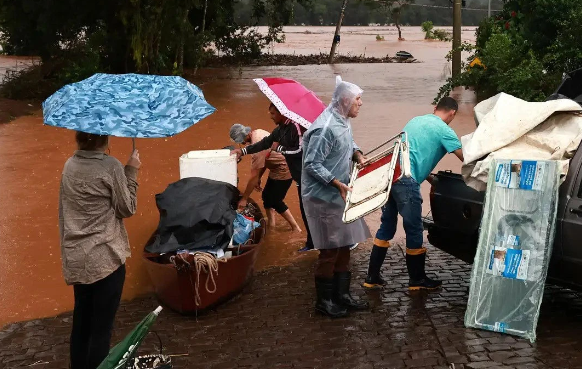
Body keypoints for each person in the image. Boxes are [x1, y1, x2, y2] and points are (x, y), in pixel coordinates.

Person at [364, 96, 464, 291]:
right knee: (414, 228)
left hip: (391, 176)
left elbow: (411, 154)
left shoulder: (415, 121)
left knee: (387, 226)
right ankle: (417, 280)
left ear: (435, 107)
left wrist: (429, 178)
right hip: (407, 182)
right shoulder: (445, 130)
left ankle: (372, 277)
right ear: (452, 113)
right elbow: (465, 159)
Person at [59, 132, 140, 369]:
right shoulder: (111, 166)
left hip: (78, 258)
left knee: (81, 324)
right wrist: (132, 170)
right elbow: (127, 208)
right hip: (105, 260)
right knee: (101, 330)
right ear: (105, 139)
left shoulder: (70, 165)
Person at [302, 76, 371, 318]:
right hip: (323, 196)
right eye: (358, 99)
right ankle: (324, 301)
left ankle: (342, 295)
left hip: (340, 192)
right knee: (329, 249)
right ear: (345, 100)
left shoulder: (342, 120)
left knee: (345, 245)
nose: (360, 103)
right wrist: (335, 183)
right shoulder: (325, 127)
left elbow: (348, 142)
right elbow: (311, 163)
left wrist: (358, 154)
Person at [231, 103, 315, 251]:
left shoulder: (294, 128)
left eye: (273, 113)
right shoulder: (277, 130)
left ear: (282, 113)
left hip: (292, 171)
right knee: (271, 198)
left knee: (277, 200)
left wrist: (244, 198)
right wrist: (243, 151)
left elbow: (298, 151)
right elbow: (265, 145)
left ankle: (302, 233)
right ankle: (276, 228)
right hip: (291, 172)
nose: (270, 116)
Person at [229, 123, 302, 232]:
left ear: (246, 136)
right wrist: (259, 177)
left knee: (276, 201)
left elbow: (253, 175)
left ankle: (296, 227)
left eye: (241, 141)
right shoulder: (258, 132)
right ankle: (272, 225)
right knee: (266, 197)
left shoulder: (256, 146)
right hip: (276, 167)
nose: (242, 143)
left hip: (284, 168)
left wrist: (244, 199)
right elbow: (265, 160)